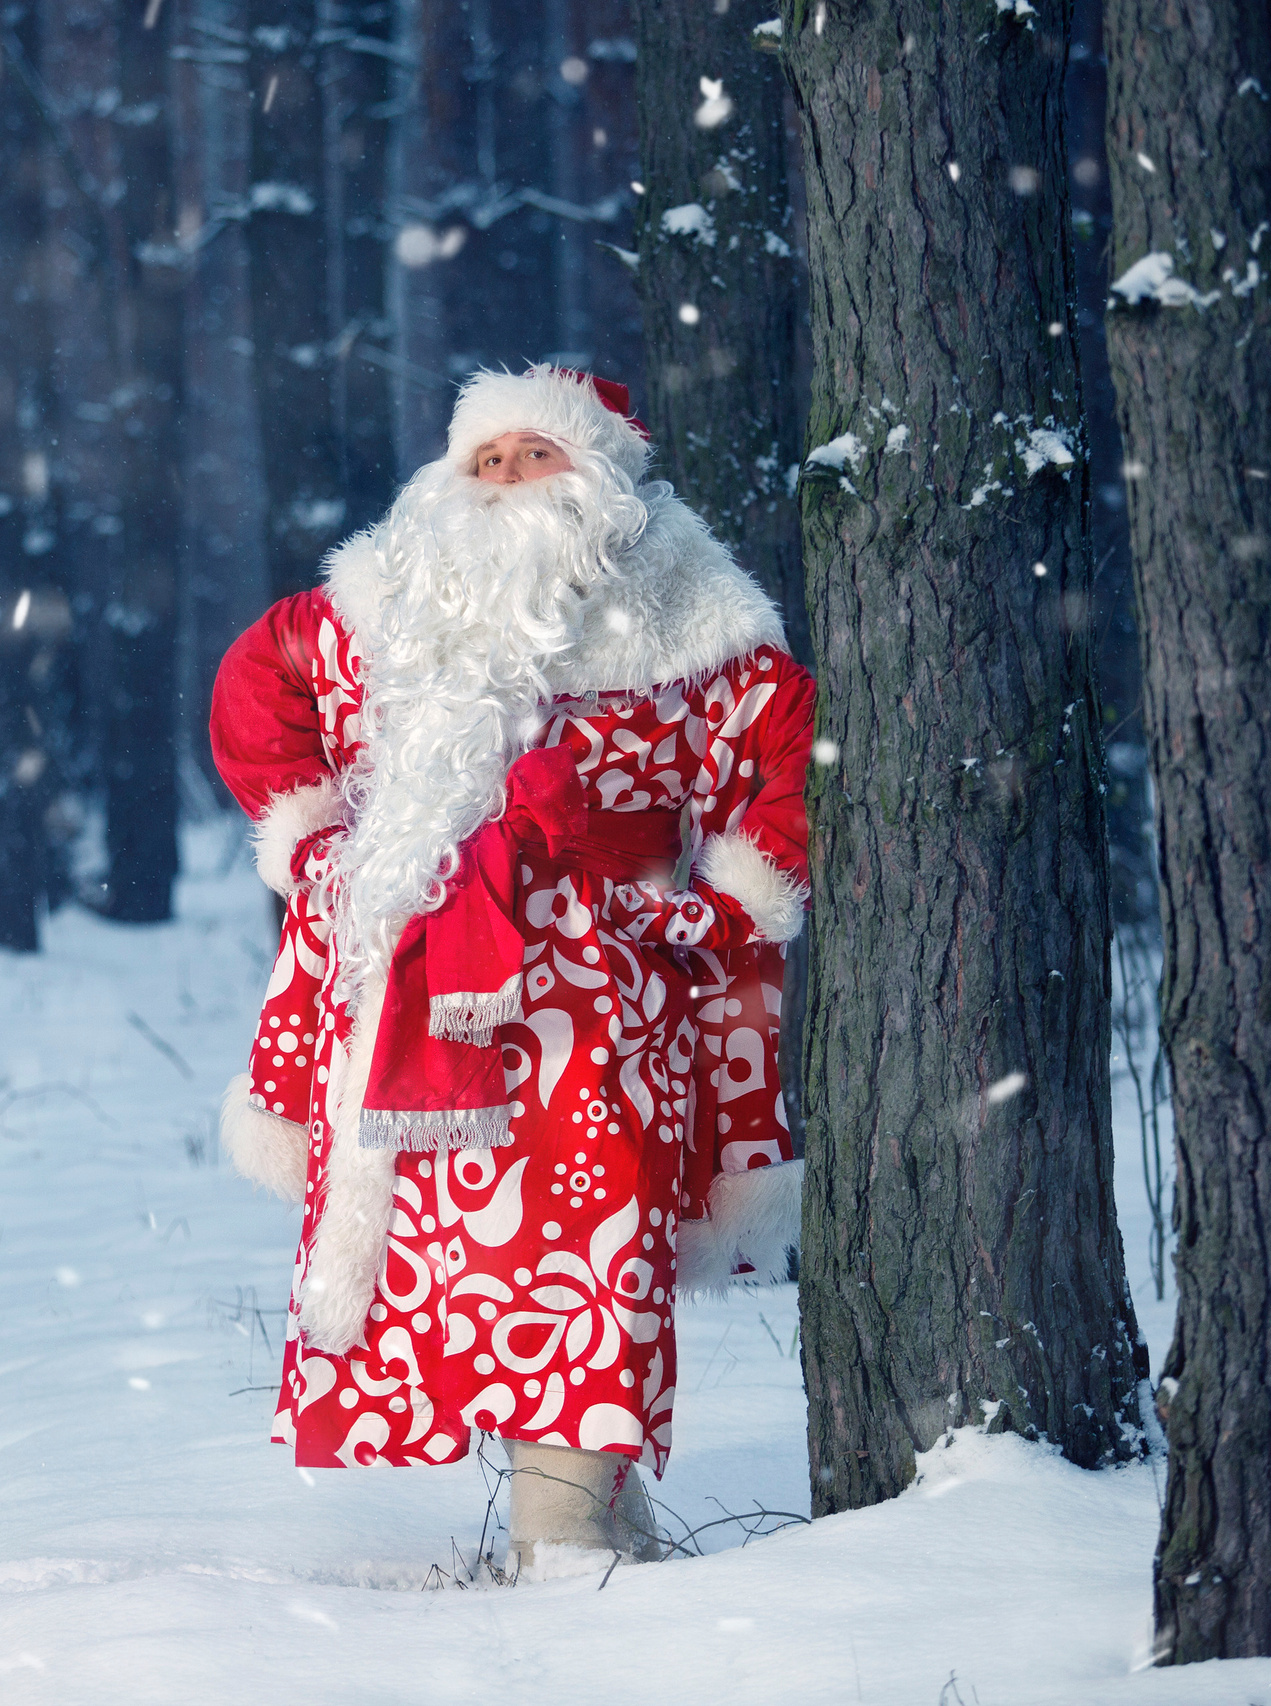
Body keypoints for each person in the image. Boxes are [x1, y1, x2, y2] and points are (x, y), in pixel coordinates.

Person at [210, 365, 814, 1572]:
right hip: (423, 990)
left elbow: (781, 750)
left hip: (600, 998)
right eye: (483, 462)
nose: (502, 484)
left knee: (588, 1234)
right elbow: (254, 685)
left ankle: (565, 1526)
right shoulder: (386, 595)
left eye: (531, 458)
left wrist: (721, 905)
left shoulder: (693, 608)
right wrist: (316, 839)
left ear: (599, 475)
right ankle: (580, 1510)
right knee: (462, 1257)